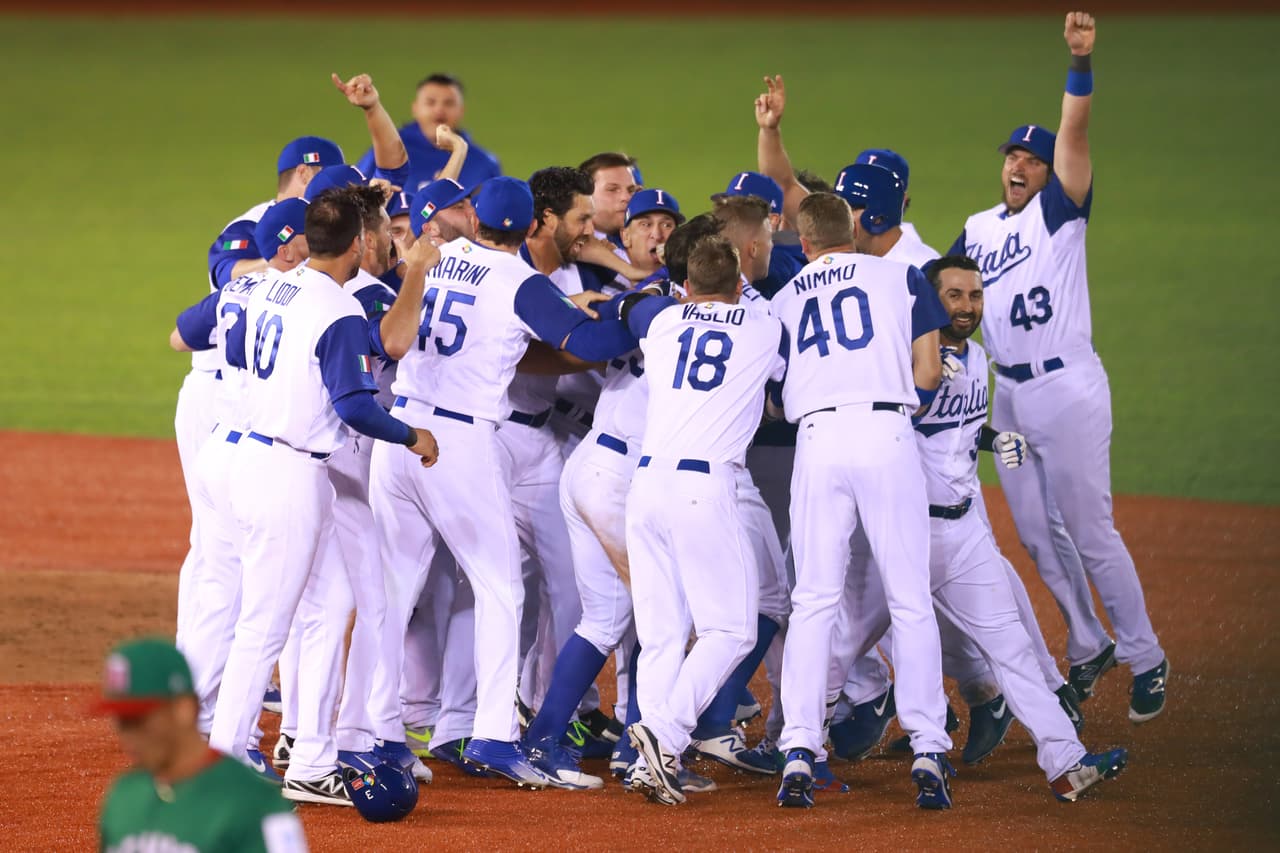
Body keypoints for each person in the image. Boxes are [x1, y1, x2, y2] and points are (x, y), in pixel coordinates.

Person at [367, 176, 637, 789]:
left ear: (478, 218)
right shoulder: (520, 282)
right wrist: (636, 311)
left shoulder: (436, 256)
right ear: (530, 226)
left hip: (400, 432)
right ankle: (493, 733)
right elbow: (588, 342)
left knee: (393, 590)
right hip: (457, 444)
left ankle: (378, 732)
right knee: (499, 588)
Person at [948, 11, 1168, 722]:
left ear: (1051, 173)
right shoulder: (979, 231)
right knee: (1039, 534)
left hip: (1067, 392)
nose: (1017, 165)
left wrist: (1080, 63)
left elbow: (1074, 133)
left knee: (1090, 529)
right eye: (1012, 156)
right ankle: (1087, 639)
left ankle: (1147, 655)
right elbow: (932, 285)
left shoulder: (1060, 213)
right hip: (1008, 406)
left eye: (1032, 159)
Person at [206, 186, 440, 807]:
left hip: (245, 455)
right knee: (266, 623)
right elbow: (355, 407)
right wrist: (413, 435)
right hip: (289, 472)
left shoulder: (260, 285)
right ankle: (225, 759)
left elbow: (196, 331)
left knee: (325, 609)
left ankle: (311, 755)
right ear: (360, 243)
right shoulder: (335, 310)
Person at [765, 189, 951, 810]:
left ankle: (798, 748)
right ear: (854, 229)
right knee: (909, 596)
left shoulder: (786, 298)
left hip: (817, 440)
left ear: (806, 241)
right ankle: (928, 744)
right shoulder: (901, 277)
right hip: (888, 434)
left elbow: (772, 394)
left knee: (814, 599)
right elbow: (928, 371)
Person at [618, 235, 787, 806]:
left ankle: (647, 764)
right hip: (703, 487)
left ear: (685, 286)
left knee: (663, 634)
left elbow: (636, 307)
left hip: (644, 485)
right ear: (738, 286)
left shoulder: (662, 325)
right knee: (732, 629)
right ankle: (665, 736)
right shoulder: (761, 327)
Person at [96, 637, 307, 852]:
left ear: (184, 709)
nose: (128, 736)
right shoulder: (124, 796)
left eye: (139, 720)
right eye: (122, 721)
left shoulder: (254, 803)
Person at [357, 72, 501, 192]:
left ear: (461, 111)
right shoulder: (391, 151)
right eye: (431, 102)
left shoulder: (483, 163)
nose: (439, 110)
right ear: (415, 108)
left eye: (449, 103)